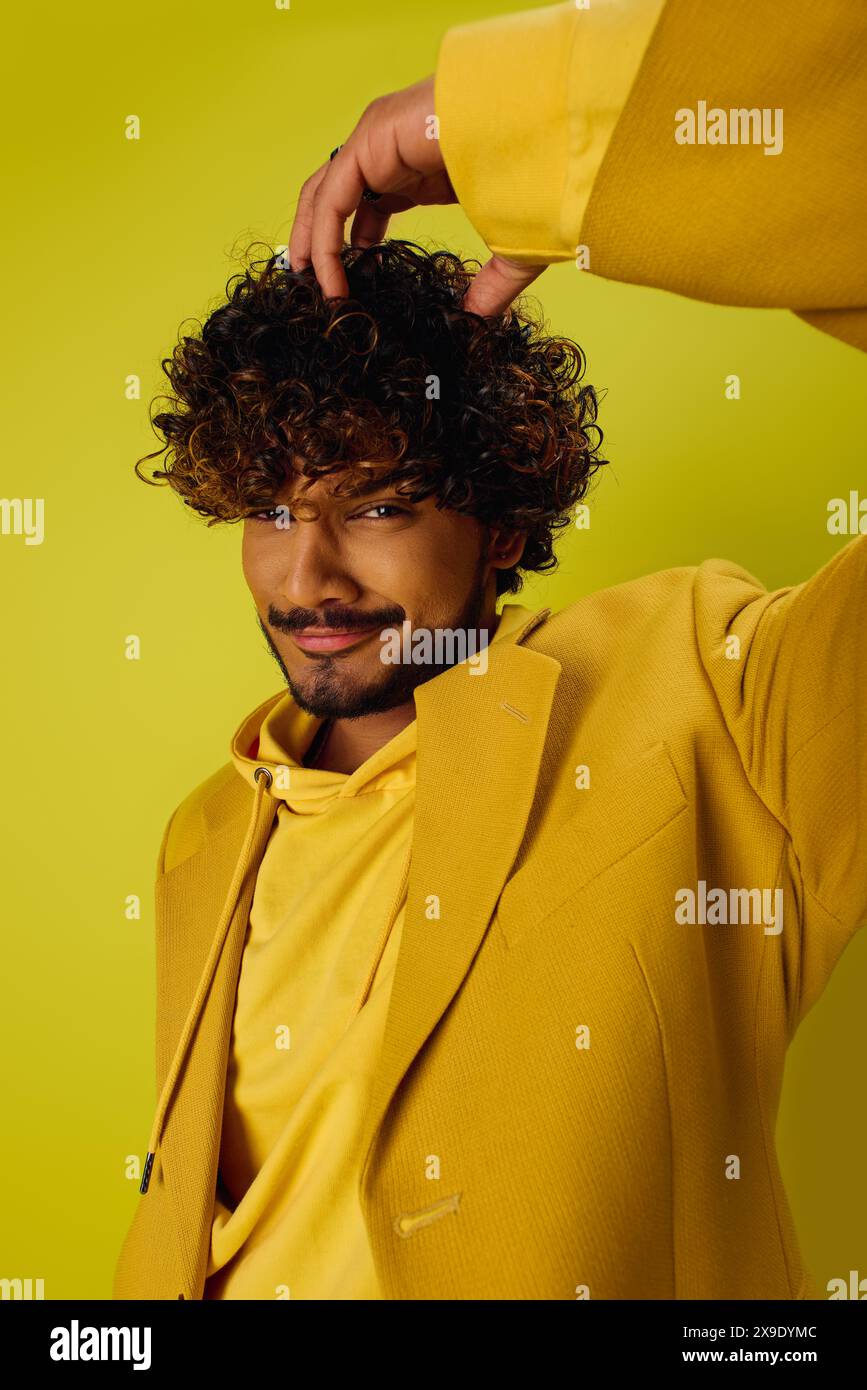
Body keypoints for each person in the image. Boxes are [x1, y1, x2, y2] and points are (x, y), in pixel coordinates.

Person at [114, 0, 866, 1301]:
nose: (312, 572)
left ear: (503, 512)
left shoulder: (712, 691)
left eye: (383, 502)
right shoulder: (202, 839)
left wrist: (538, 130)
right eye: (274, 507)